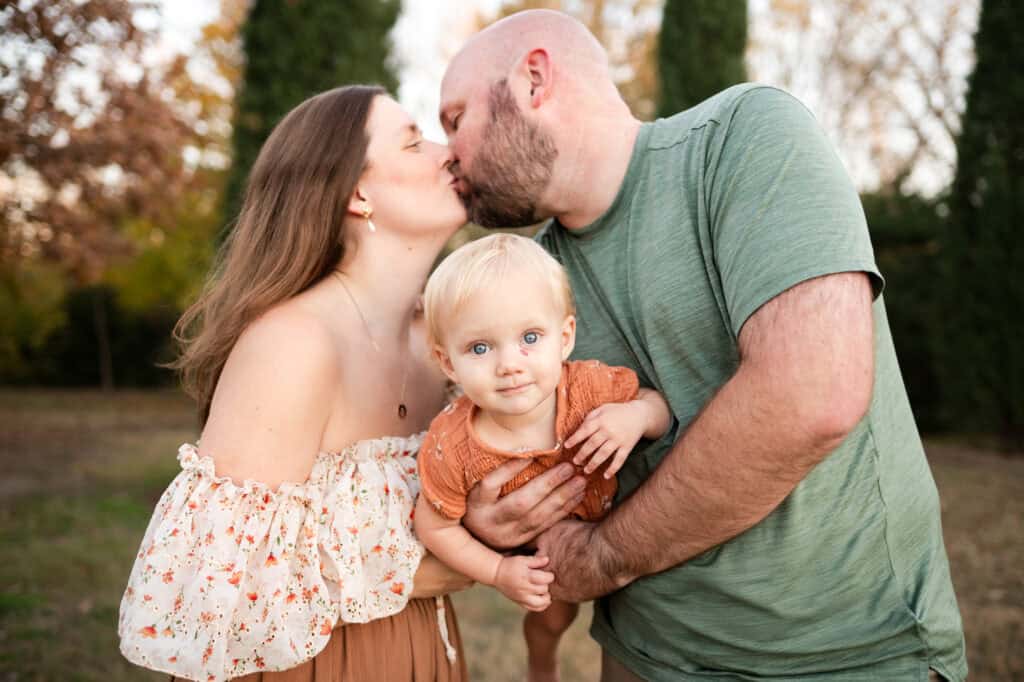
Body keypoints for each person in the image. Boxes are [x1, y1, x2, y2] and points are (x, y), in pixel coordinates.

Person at [437, 9, 968, 682]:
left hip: (846, 656)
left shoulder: (746, 137)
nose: (447, 152)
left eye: (456, 119)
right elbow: (503, 451)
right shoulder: (526, 285)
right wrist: (489, 513)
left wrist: (603, 557)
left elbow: (814, 393)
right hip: (641, 655)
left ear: (535, 79)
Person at [118, 85, 474, 682]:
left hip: (427, 651)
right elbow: (215, 583)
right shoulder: (293, 342)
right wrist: (443, 566)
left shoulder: (444, 341)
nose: (448, 153)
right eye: (414, 142)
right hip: (310, 664)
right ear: (358, 192)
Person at [413, 234, 672, 682]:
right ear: (448, 362)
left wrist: (634, 415)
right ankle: (542, 660)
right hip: (542, 551)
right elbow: (432, 525)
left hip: (619, 529)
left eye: (530, 337)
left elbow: (660, 408)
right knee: (554, 616)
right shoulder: (451, 446)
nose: (509, 364)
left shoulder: (589, 389)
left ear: (565, 336)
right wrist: (498, 570)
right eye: (480, 348)